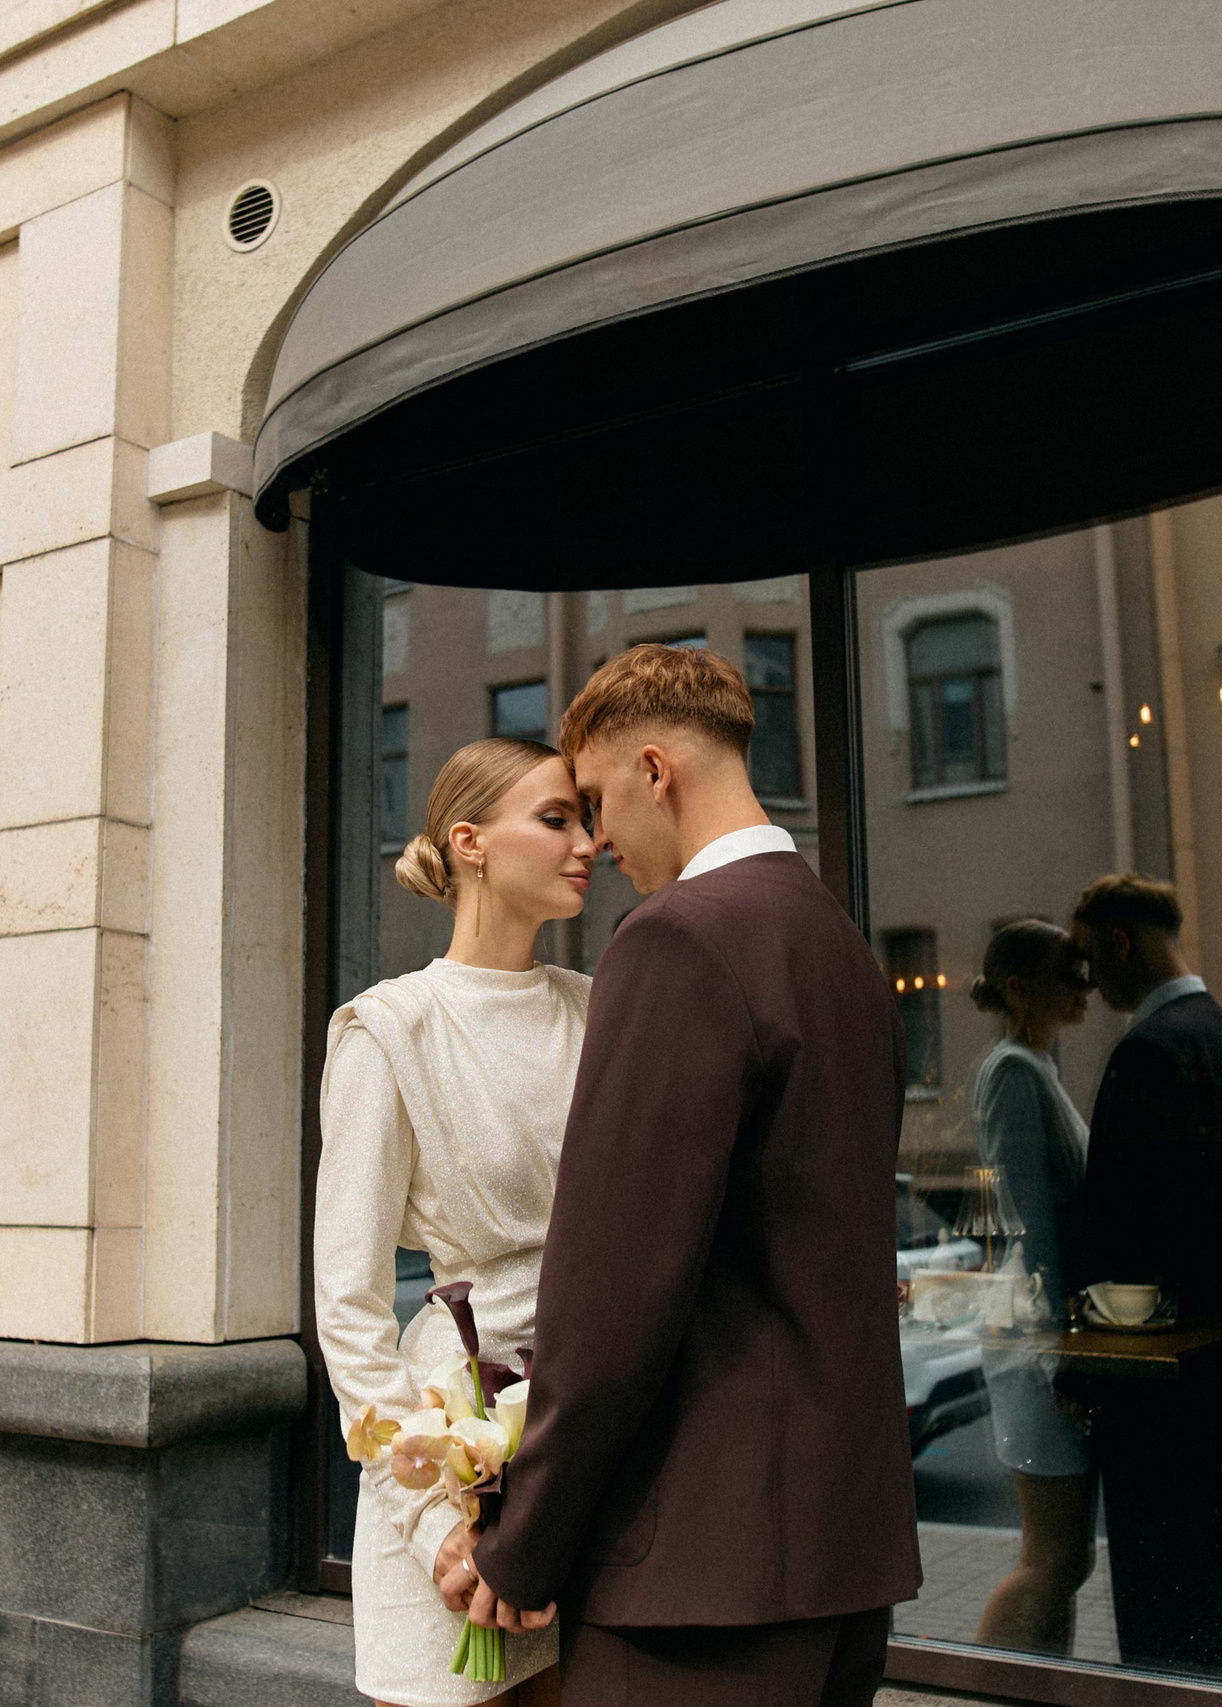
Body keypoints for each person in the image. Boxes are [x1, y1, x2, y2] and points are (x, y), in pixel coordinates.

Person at [455, 644, 915, 1707]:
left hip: (702, 1582)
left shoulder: (676, 941)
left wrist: (523, 1541)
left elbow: (615, 1294)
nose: (599, 840)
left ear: (656, 770)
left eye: (599, 800)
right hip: (842, 1560)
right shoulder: (837, 942)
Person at [315, 736, 595, 1707]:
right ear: (469, 841)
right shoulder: (390, 1030)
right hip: (446, 1457)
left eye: (586, 818)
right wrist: (436, 1525)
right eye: (555, 818)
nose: (585, 842)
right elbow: (349, 1309)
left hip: (583, 1449)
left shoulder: (597, 1014)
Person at [1063, 873, 1222, 1682]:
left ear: (1120, 942)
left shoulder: (1151, 1053)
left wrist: (1085, 1369)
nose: (1089, 980)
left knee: (1166, 1615)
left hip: (1165, 1394)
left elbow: (1128, 1240)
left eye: (1091, 957)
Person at [965, 918, 1096, 1656]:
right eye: (1067, 972)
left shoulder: (1035, 1067)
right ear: (1021, 987)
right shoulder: (1014, 1071)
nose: (1084, 986)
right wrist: (1059, 1355)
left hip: (1040, 1336)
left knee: (1064, 1558)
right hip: (1034, 1345)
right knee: (1053, 1556)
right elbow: (1031, 1225)